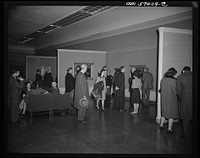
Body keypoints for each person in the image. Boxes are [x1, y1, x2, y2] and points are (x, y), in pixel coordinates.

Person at [159, 67, 178, 134]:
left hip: (164, 99)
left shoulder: (162, 80)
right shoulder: (174, 81)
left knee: (164, 113)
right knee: (171, 115)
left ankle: (161, 125)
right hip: (171, 99)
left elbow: (161, 89)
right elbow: (176, 91)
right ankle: (169, 129)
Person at [176, 66, 192, 140]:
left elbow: (178, 91)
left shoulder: (180, 77)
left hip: (185, 99)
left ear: (183, 70)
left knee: (185, 118)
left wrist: (180, 98)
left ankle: (186, 135)